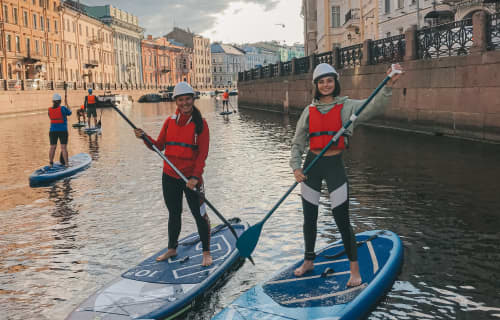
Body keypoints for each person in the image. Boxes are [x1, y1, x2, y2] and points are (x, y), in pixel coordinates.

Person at [290, 63, 403, 286]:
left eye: (329, 81)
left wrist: (388, 84)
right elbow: (298, 141)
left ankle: (355, 270)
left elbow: (373, 107)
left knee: (342, 219)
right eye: (321, 82)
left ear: (335, 82)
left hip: (334, 165)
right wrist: (296, 167)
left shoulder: (348, 106)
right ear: (316, 85)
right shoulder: (308, 111)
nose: (325, 85)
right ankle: (308, 260)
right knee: (309, 218)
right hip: (312, 165)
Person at [134, 82, 213, 267]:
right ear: (176, 102)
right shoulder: (169, 122)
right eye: (180, 100)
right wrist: (144, 137)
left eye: (187, 99)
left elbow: (202, 154)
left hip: (191, 179)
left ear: (193, 99)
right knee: (174, 213)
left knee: (199, 214)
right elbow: (159, 146)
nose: (184, 103)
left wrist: (195, 177)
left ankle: (207, 252)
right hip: (169, 175)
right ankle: (172, 248)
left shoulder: (201, 124)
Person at [48, 93, 72, 167]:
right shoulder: (63, 108)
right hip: (63, 131)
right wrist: (67, 104)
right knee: (63, 147)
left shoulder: (49, 110)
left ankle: (51, 163)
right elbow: (70, 113)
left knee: (52, 147)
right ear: (60, 101)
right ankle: (67, 164)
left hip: (52, 131)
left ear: (53, 101)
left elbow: (50, 116)